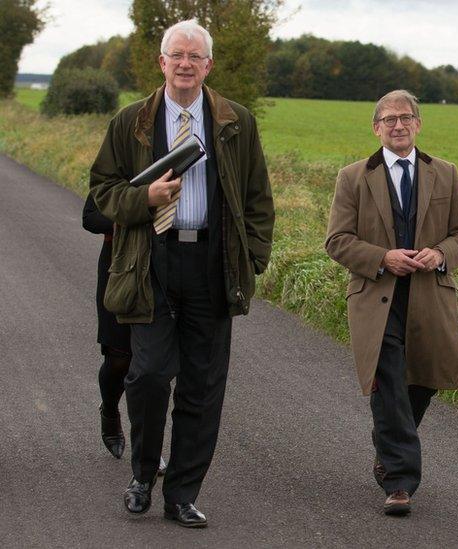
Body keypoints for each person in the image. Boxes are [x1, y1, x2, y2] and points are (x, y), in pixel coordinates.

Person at [89, 19, 274, 528]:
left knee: (203, 385)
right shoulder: (131, 122)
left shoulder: (237, 121)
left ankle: (181, 494)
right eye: (178, 55)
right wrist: (141, 199)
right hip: (151, 260)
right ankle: (143, 474)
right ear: (162, 62)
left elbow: (258, 198)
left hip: (212, 264)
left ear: (208, 65)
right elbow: (102, 191)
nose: (186, 64)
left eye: (196, 56)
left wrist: (252, 256)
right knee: (147, 375)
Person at [325, 89, 458, 516]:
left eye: (405, 117)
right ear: (376, 128)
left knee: (421, 382)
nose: (398, 125)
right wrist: (382, 258)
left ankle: (387, 446)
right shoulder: (353, 177)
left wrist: (441, 254)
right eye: (389, 119)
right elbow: (337, 241)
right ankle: (400, 481)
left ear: (418, 124)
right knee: (388, 380)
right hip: (376, 296)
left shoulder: (445, 173)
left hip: (431, 296)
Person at [81, 193, 166, 475]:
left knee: (150, 365)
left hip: (161, 267)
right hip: (118, 268)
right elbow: (90, 217)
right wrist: (135, 216)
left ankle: (149, 448)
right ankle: (109, 410)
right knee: (119, 359)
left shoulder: (172, 161)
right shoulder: (119, 162)